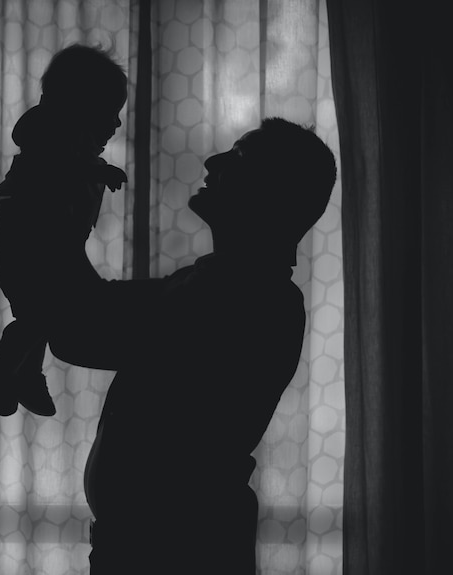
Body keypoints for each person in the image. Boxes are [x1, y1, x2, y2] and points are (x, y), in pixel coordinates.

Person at [47, 118, 338, 574]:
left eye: (238, 157)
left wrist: (61, 213)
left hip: (172, 550)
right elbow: (80, 322)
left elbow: (79, 329)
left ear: (271, 192)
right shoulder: (215, 284)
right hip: (158, 544)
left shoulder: (246, 297)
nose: (213, 160)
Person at [0, 44, 129, 416]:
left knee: (45, 314)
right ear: (78, 107)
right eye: (109, 113)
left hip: (48, 257)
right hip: (29, 256)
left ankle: (26, 373)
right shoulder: (44, 134)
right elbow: (52, 166)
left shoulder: (71, 151)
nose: (116, 124)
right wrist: (96, 171)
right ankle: (5, 366)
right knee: (41, 315)